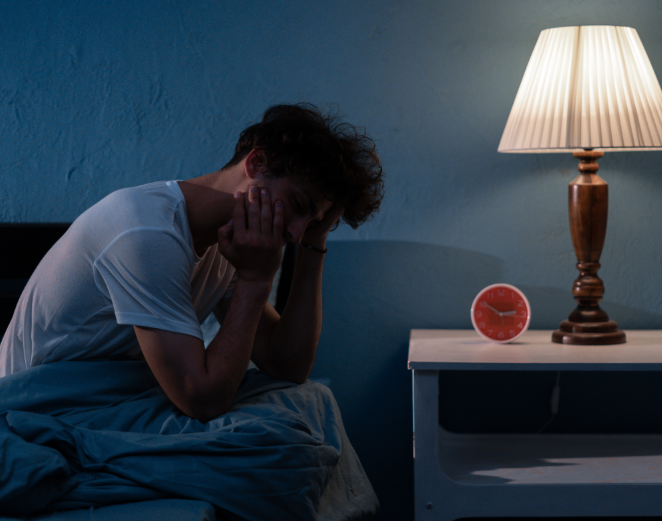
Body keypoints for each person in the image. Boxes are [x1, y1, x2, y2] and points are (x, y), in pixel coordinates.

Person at [0, 103, 384, 423]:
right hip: (41, 406)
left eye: (313, 223)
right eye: (299, 207)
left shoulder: (230, 240)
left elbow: (288, 365)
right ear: (257, 163)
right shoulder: (145, 234)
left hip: (113, 397)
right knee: (276, 441)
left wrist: (315, 245)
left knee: (308, 404)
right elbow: (203, 401)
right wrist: (254, 281)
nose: (296, 234)